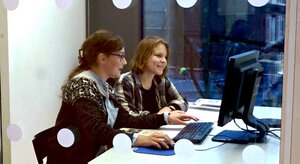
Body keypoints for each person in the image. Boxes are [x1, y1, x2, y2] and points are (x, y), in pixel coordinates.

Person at [46, 30, 198, 163]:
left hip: (96, 156)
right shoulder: (82, 83)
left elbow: (126, 119)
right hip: (77, 160)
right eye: (120, 56)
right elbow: (96, 130)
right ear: (102, 58)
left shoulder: (104, 86)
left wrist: (165, 118)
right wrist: (137, 139)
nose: (124, 61)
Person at [114, 36, 188, 116]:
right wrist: (160, 117)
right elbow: (127, 117)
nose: (164, 61)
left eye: (165, 57)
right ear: (144, 57)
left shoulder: (162, 81)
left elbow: (183, 101)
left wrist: (169, 109)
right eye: (158, 56)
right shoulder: (125, 81)